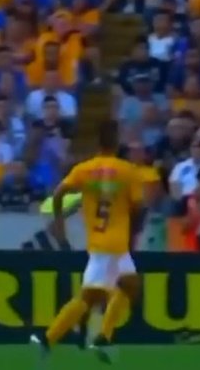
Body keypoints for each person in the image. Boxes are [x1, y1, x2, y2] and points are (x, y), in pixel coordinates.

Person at [31, 120, 146, 363]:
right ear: (116, 141)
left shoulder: (84, 169)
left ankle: (102, 336)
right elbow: (140, 206)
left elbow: (59, 193)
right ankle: (49, 338)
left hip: (99, 240)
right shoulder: (128, 171)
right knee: (91, 297)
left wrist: (60, 219)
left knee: (130, 286)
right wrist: (135, 229)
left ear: (97, 143)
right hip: (115, 243)